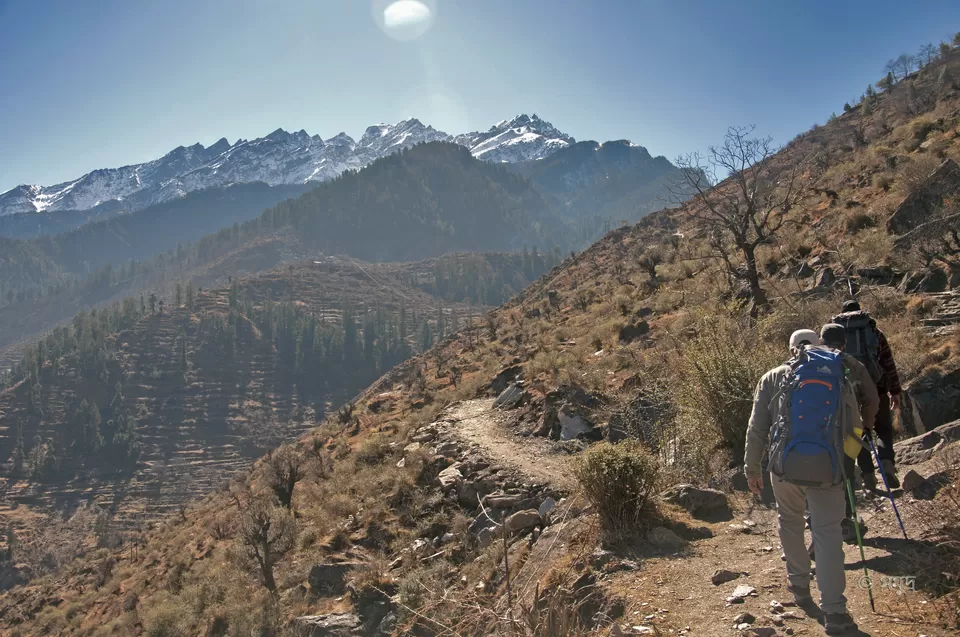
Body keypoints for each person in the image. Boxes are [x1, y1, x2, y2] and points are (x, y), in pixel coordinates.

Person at [744, 326, 879, 635]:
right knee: (828, 534)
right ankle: (834, 611)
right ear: (817, 346)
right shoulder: (837, 374)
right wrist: (845, 464)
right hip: (829, 469)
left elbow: (756, 428)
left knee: (789, 521)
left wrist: (752, 469)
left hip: (784, 469)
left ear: (792, 349)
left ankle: (800, 588)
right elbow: (855, 425)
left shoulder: (772, 377)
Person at [832, 300, 903, 489]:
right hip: (877, 389)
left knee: (859, 432)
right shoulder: (874, 333)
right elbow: (888, 362)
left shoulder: (837, 337)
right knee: (883, 429)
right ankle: (887, 465)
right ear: (861, 313)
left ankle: (868, 475)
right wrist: (894, 391)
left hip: (849, 392)